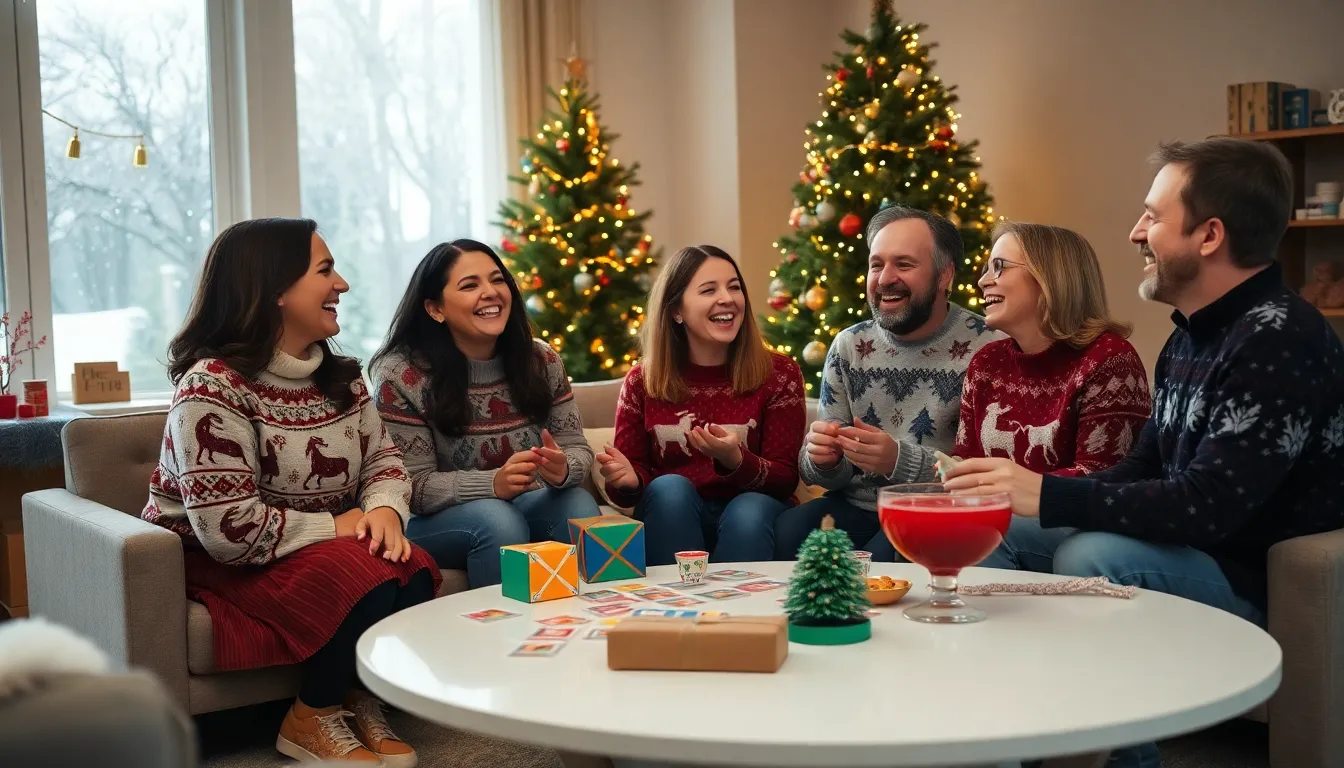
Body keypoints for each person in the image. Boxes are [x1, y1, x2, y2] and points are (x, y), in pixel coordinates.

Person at [945, 138, 1344, 767]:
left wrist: (1049, 494)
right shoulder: (1188, 337)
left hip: (1253, 574)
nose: (1136, 232)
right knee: (997, 528)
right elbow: (1141, 469)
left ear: (1209, 235)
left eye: (1153, 217)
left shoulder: (1280, 338)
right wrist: (1022, 495)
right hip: (1187, 545)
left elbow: (1208, 507)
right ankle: (994, 736)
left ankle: (1117, 758)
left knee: (1092, 553)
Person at [143, 218, 437, 766]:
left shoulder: (342, 376)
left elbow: (383, 458)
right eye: (325, 271)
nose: (342, 284)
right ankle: (311, 716)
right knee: (360, 576)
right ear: (274, 290)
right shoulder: (210, 386)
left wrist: (384, 512)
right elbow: (228, 531)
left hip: (318, 544)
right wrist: (339, 526)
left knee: (413, 565)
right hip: (218, 556)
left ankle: (358, 697)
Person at [773, 206, 1000, 560]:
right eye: (876, 264)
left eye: (904, 265)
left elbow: (989, 475)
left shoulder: (987, 347)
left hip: (938, 510)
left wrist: (897, 460)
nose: (884, 279)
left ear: (944, 275)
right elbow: (820, 473)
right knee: (790, 531)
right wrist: (825, 459)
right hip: (856, 506)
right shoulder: (849, 345)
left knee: (888, 553)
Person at [371, 240, 599, 588]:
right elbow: (409, 486)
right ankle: (504, 636)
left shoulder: (542, 361)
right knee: (497, 519)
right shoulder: (402, 375)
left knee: (577, 501)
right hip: (439, 522)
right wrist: (492, 484)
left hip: (524, 505)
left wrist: (564, 466)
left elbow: (577, 447)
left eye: (497, 280)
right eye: (470, 285)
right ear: (435, 309)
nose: (491, 293)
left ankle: (599, 630)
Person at [952, 222, 1151, 569]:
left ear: (1050, 278)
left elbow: (1105, 478)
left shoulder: (1109, 359)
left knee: (978, 532)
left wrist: (1020, 491)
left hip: (1083, 528)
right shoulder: (987, 362)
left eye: (999, 266)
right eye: (986, 269)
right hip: (1001, 519)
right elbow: (966, 465)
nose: (983, 281)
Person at [596, 245, 805, 565]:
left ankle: (743, 612)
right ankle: (674, 609)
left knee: (749, 509)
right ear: (676, 311)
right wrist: (628, 481)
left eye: (734, 287)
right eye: (709, 290)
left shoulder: (779, 374)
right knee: (669, 490)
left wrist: (735, 460)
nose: (727, 298)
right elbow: (629, 488)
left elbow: (786, 478)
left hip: (753, 517)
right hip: (673, 516)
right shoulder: (643, 381)